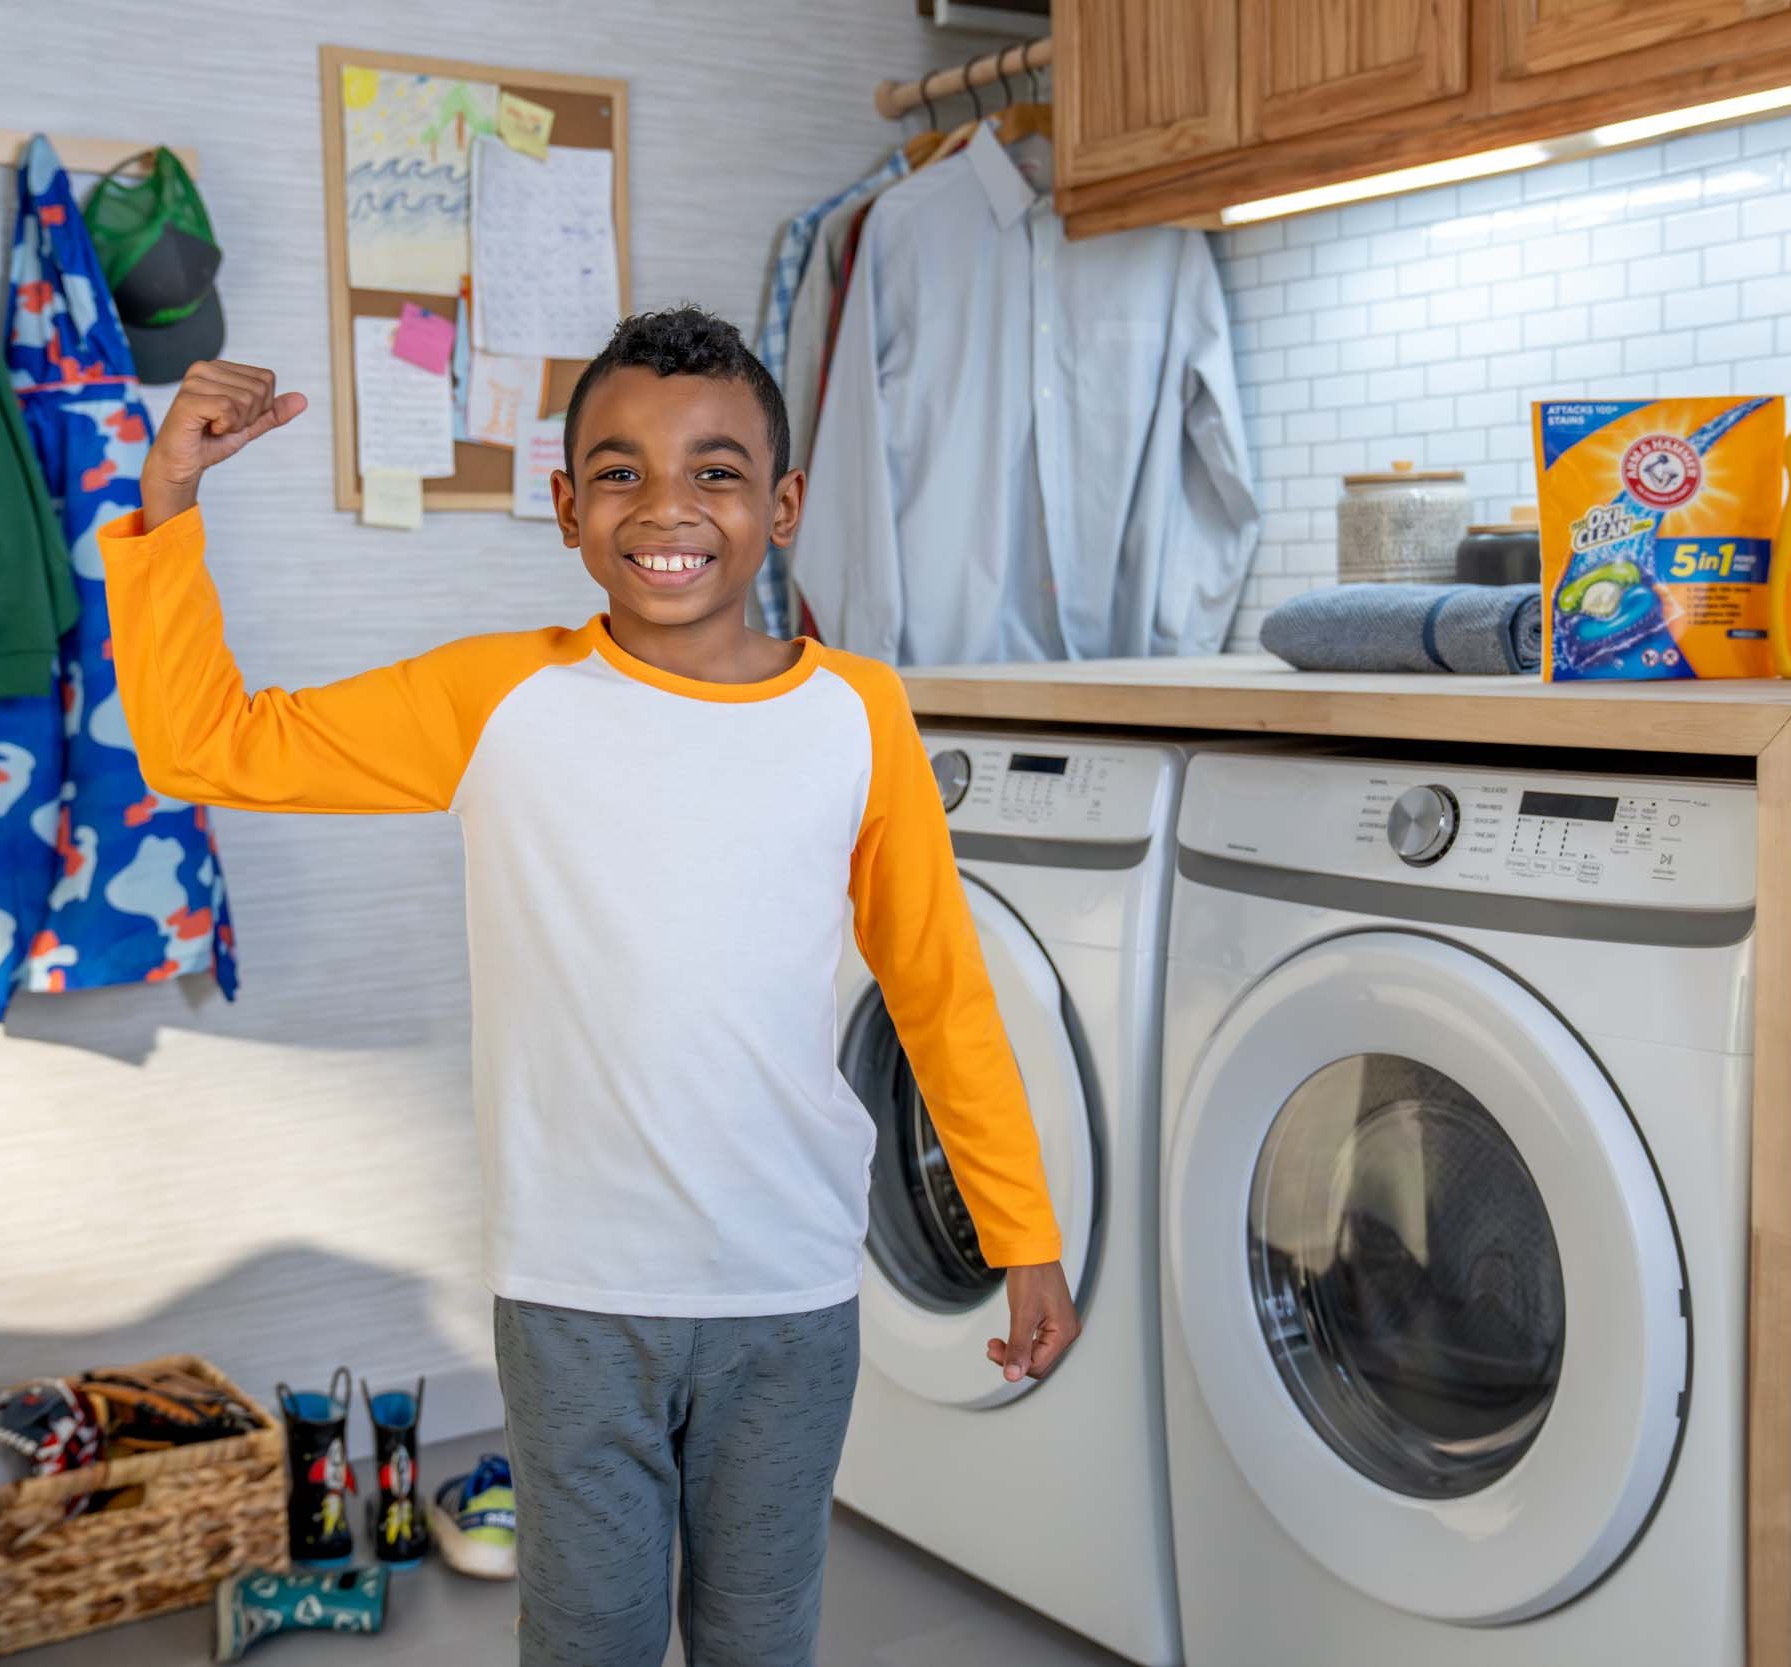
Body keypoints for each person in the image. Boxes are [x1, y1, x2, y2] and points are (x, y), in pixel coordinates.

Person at [97, 306, 1079, 1667]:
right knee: (589, 1639)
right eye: (619, 471)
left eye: (717, 471)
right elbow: (210, 746)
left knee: (759, 1635)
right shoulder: (497, 700)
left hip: (787, 1293)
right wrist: (168, 501)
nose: (667, 507)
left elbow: (941, 996)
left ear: (782, 505)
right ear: (565, 508)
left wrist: (1021, 1234)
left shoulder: (861, 717)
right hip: (573, 1294)